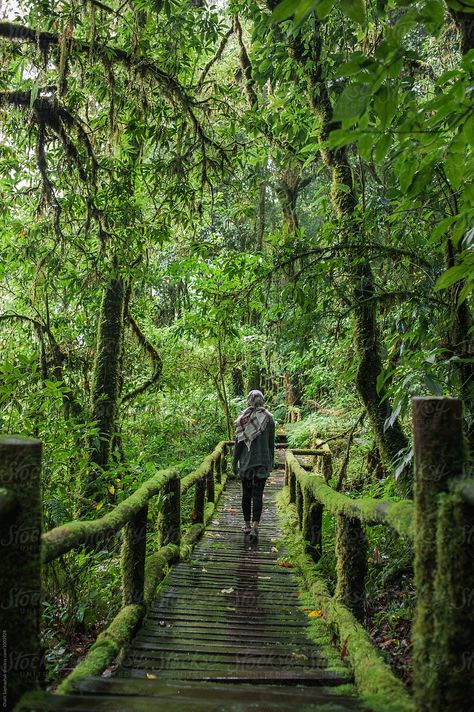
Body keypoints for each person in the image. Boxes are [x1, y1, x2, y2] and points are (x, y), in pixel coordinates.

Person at [232, 389, 275, 540]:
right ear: (262, 401)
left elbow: (238, 445)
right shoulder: (269, 419)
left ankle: (247, 525)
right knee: (258, 494)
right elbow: (271, 444)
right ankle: (255, 526)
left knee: (247, 494)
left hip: (246, 464)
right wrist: (272, 462)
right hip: (262, 463)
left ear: (249, 400)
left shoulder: (242, 420)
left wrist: (234, 463)